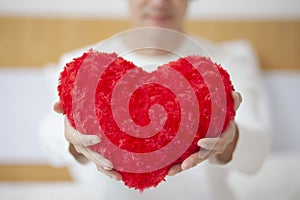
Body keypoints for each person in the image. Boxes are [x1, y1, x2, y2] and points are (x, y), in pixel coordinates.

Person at [39, 0, 271, 199]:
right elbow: (48, 136)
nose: (159, 2)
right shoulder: (85, 68)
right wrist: (72, 139)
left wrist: (230, 140)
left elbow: (257, 154)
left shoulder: (227, 62)